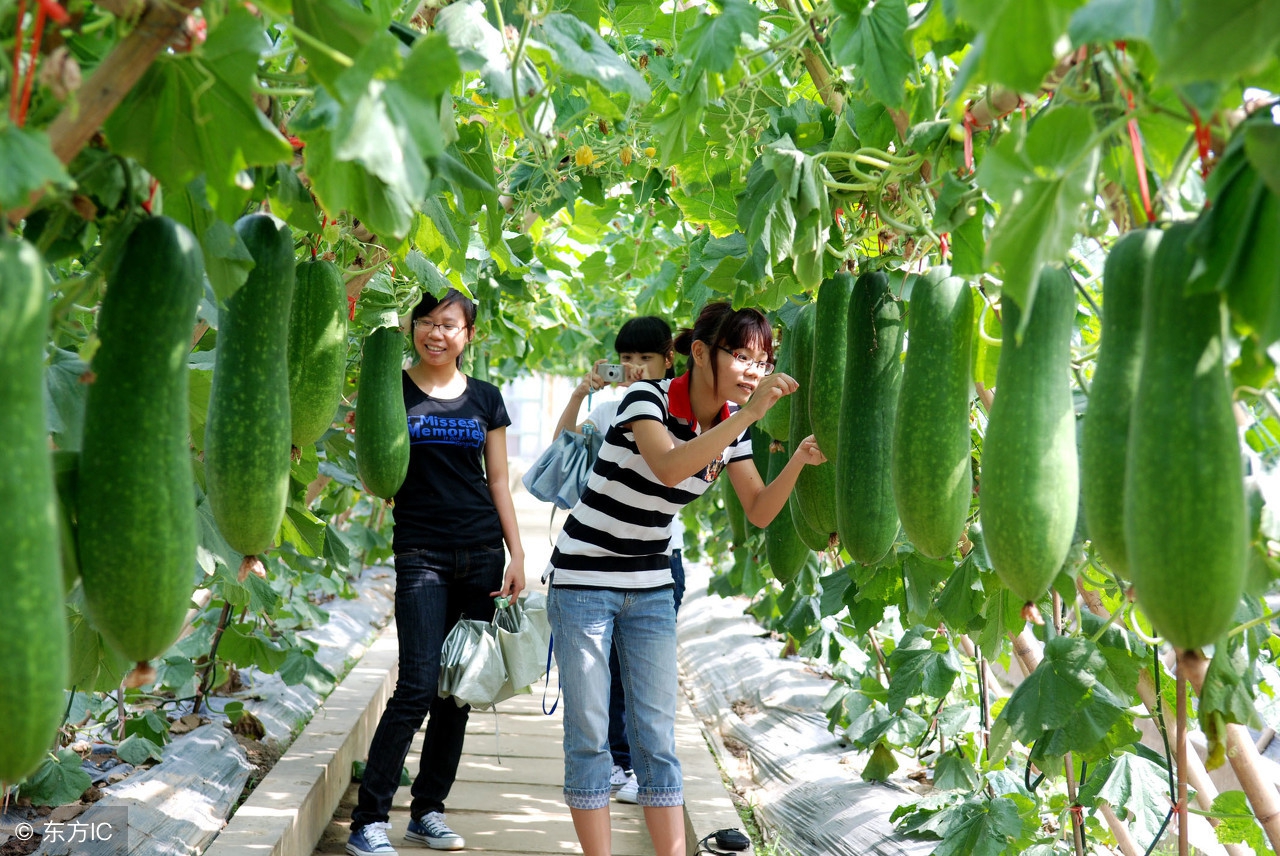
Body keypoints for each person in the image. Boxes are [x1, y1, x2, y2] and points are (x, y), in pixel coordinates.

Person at [545, 302, 826, 856]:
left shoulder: (733, 428)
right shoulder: (644, 400)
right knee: (590, 735)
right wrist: (743, 417)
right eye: (742, 356)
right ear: (700, 353)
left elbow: (760, 511)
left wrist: (794, 460)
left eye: (763, 360)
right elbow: (670, 466)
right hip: (583, 579)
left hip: (650, 584)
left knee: (656, 738)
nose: (754, 370)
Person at [347, 289, 526, 856]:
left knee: (457, 691)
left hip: (480, 550)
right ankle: (368, 820)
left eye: (447, 323)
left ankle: (428, 810)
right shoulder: (389, 388)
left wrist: (517, 553)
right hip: (421, 551)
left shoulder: (487, 399)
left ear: (467, 334)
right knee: (418, 685)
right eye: (425, 321)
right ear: (411, 329)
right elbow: (374, 460)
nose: (435, 332)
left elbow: (498, 481)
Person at [549, 316, 682, 804]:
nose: (633, 368)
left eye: (644, 358)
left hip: (658, 560)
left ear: (669, 359)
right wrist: (578, 395)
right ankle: (610, 766)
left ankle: (625, 765)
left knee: (637, 682)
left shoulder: (682, 408)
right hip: (597, 558)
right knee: (596, 682)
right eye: (625, 359)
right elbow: (560, 448)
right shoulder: (608, 408)